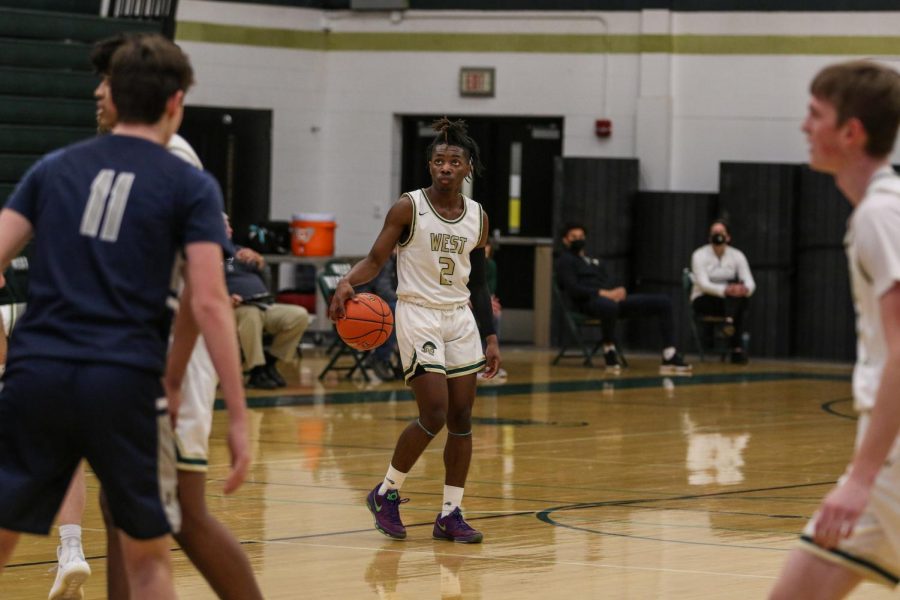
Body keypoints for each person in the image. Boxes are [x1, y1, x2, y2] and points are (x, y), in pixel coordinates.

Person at [0, 33, 250, 600]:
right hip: (125, 380)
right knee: (148, 564)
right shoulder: (189, 182)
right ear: (174, 103)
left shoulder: (54, 167)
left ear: (112, 97)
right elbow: (209, 301)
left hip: (38, 372)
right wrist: (237, 414)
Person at [79, 34, 264, 600]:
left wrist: (179, 371)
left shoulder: (171, 156)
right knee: (119, 504)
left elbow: (198, 288)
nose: (99, 91)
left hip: (172, 356)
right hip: (130, 356)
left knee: (182, 512)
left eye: (109, 79)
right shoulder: (106, 158)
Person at [330, 117, 501, 543]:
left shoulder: (478, 217)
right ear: (430, 166)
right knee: (436, 413)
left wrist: (491, 334)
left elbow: (478, 283)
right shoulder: (408, 207)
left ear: (468, 169)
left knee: (462, 417)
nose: (445, 167)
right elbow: (375, 259)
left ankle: (450, 514)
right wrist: (348, 281)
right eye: (439, 160)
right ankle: (385, 493)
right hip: (418, 314)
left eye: (454, 161)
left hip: (460, 317)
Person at [769, 60, 900, 599]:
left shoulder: (880, 215)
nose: (804, 125)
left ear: (851, 132)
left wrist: (862, 475)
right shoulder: (876, 209)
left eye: (815, 114)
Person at [555, 223, 691, 374]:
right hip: (587, 303)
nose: (578, 240)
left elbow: (608, 280)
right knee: (608, 305)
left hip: (611, 299)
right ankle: (609, 349)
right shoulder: (565, 261)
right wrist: (603, 293)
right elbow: (574, 289)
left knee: (663, 302)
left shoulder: (593, 259)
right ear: (565, 240)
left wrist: (618, 290)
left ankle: (669, 354)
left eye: (581, 237)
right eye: (574, 237)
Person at [224, 214, 310, 389]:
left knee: (299, 315)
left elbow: (264, 273)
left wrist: (259, 260)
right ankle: (257, 368)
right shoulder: (207, 254)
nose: (231, 229)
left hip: (263, 303)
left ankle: (270, 362)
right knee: (251, 315)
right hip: (233, 308)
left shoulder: (237, 251)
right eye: (225, 226)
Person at [690, 219, 755, 364]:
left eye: (721, 233)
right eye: (714, 233)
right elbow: (703, 283)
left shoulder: (737, 255)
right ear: (709, 237)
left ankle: (729, 324)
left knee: (742, 299)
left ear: (728, 237)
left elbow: (750, 281)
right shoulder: (699, 255)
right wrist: (725, 290)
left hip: (730, 301)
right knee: (735, 303)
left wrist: (744, 289)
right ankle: (736, 346)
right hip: (704, 299)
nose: (718, 236)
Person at [360, 249, 401, 381]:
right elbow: (383, 289)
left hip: (379, 302)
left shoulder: (401, 260)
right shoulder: (384, 259)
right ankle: (379, 358)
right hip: (363, 305)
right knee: (395, 310)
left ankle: (404, 362)